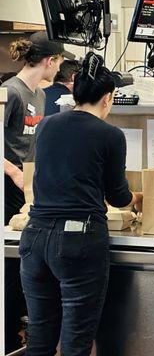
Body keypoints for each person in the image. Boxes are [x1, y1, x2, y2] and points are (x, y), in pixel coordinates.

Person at [18, 52, 143, 355]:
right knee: (75, 343)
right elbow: (118, 196)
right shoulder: (110, 135)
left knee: (40, 340)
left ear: (74, 89)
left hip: (34, 237)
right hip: (78, 241)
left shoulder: (47, 125)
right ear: (108, 97)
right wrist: (137, 200)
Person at [4, 31, 71, 353]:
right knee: (9, 264)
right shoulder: (10, 91)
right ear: (49, 61)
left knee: (26, 263)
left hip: (31, 185)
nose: (59, 70)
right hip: (8, 184)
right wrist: (14, 172)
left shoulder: (41, 95)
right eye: (58, 62)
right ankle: (6, 334)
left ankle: (22, 329)